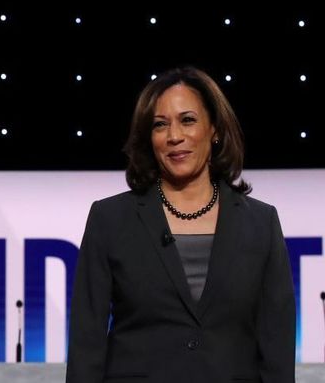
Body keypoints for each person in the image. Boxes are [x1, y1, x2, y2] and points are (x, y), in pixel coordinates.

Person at [66, 66, 295, 383]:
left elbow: (277, 347)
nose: (174, 136)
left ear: (214, 128)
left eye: (188, 120)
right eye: (160, 125)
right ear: (149, 137)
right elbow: (85, 344)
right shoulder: (110, 219)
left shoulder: (260, 222)